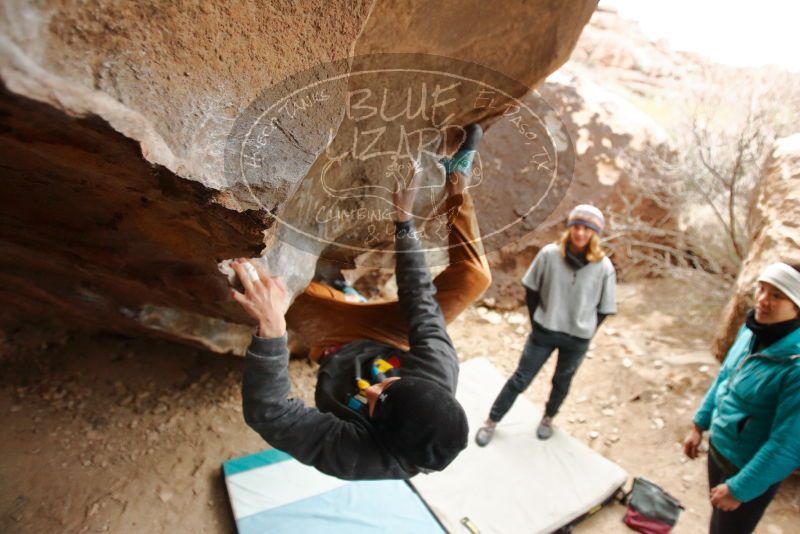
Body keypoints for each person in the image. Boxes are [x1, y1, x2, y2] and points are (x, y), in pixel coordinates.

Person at [231, 125, 492, 480]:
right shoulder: (438, 369)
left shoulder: (357, 457)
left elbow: (270, 413)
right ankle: (457, 177)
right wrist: (404, 222)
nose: (369, 387)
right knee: (475, 278)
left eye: (373, 399)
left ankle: (335, 294)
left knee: (264, 285)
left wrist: (272, 333)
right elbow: (419, 297)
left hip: (333, 342)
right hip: (386, 337)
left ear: (380, 434)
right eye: (389, 383)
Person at [475, 204, 616, 445]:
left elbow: (604, 309)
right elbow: (531, 289)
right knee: (520, 378)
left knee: (562, 382)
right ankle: (492, 421)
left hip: (577, 339)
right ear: (570, 228)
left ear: (594, 234)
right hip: (544, 331)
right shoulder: (549, 254)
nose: (580, 233)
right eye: (577, 227)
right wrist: (537, 322)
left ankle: (548, 418)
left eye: (587, 229)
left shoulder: (603, 267)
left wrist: (587, 330)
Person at [683, 262, 800, 534]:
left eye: (776, 295)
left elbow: (787, 444)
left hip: (748, 468)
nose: (762, 300)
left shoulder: (795, 366)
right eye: (762, 289)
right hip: (720, 449)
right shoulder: (752, 331)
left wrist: (739, 489)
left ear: (797, 306)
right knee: (718, 520)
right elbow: (724, 377)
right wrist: (699, 424)